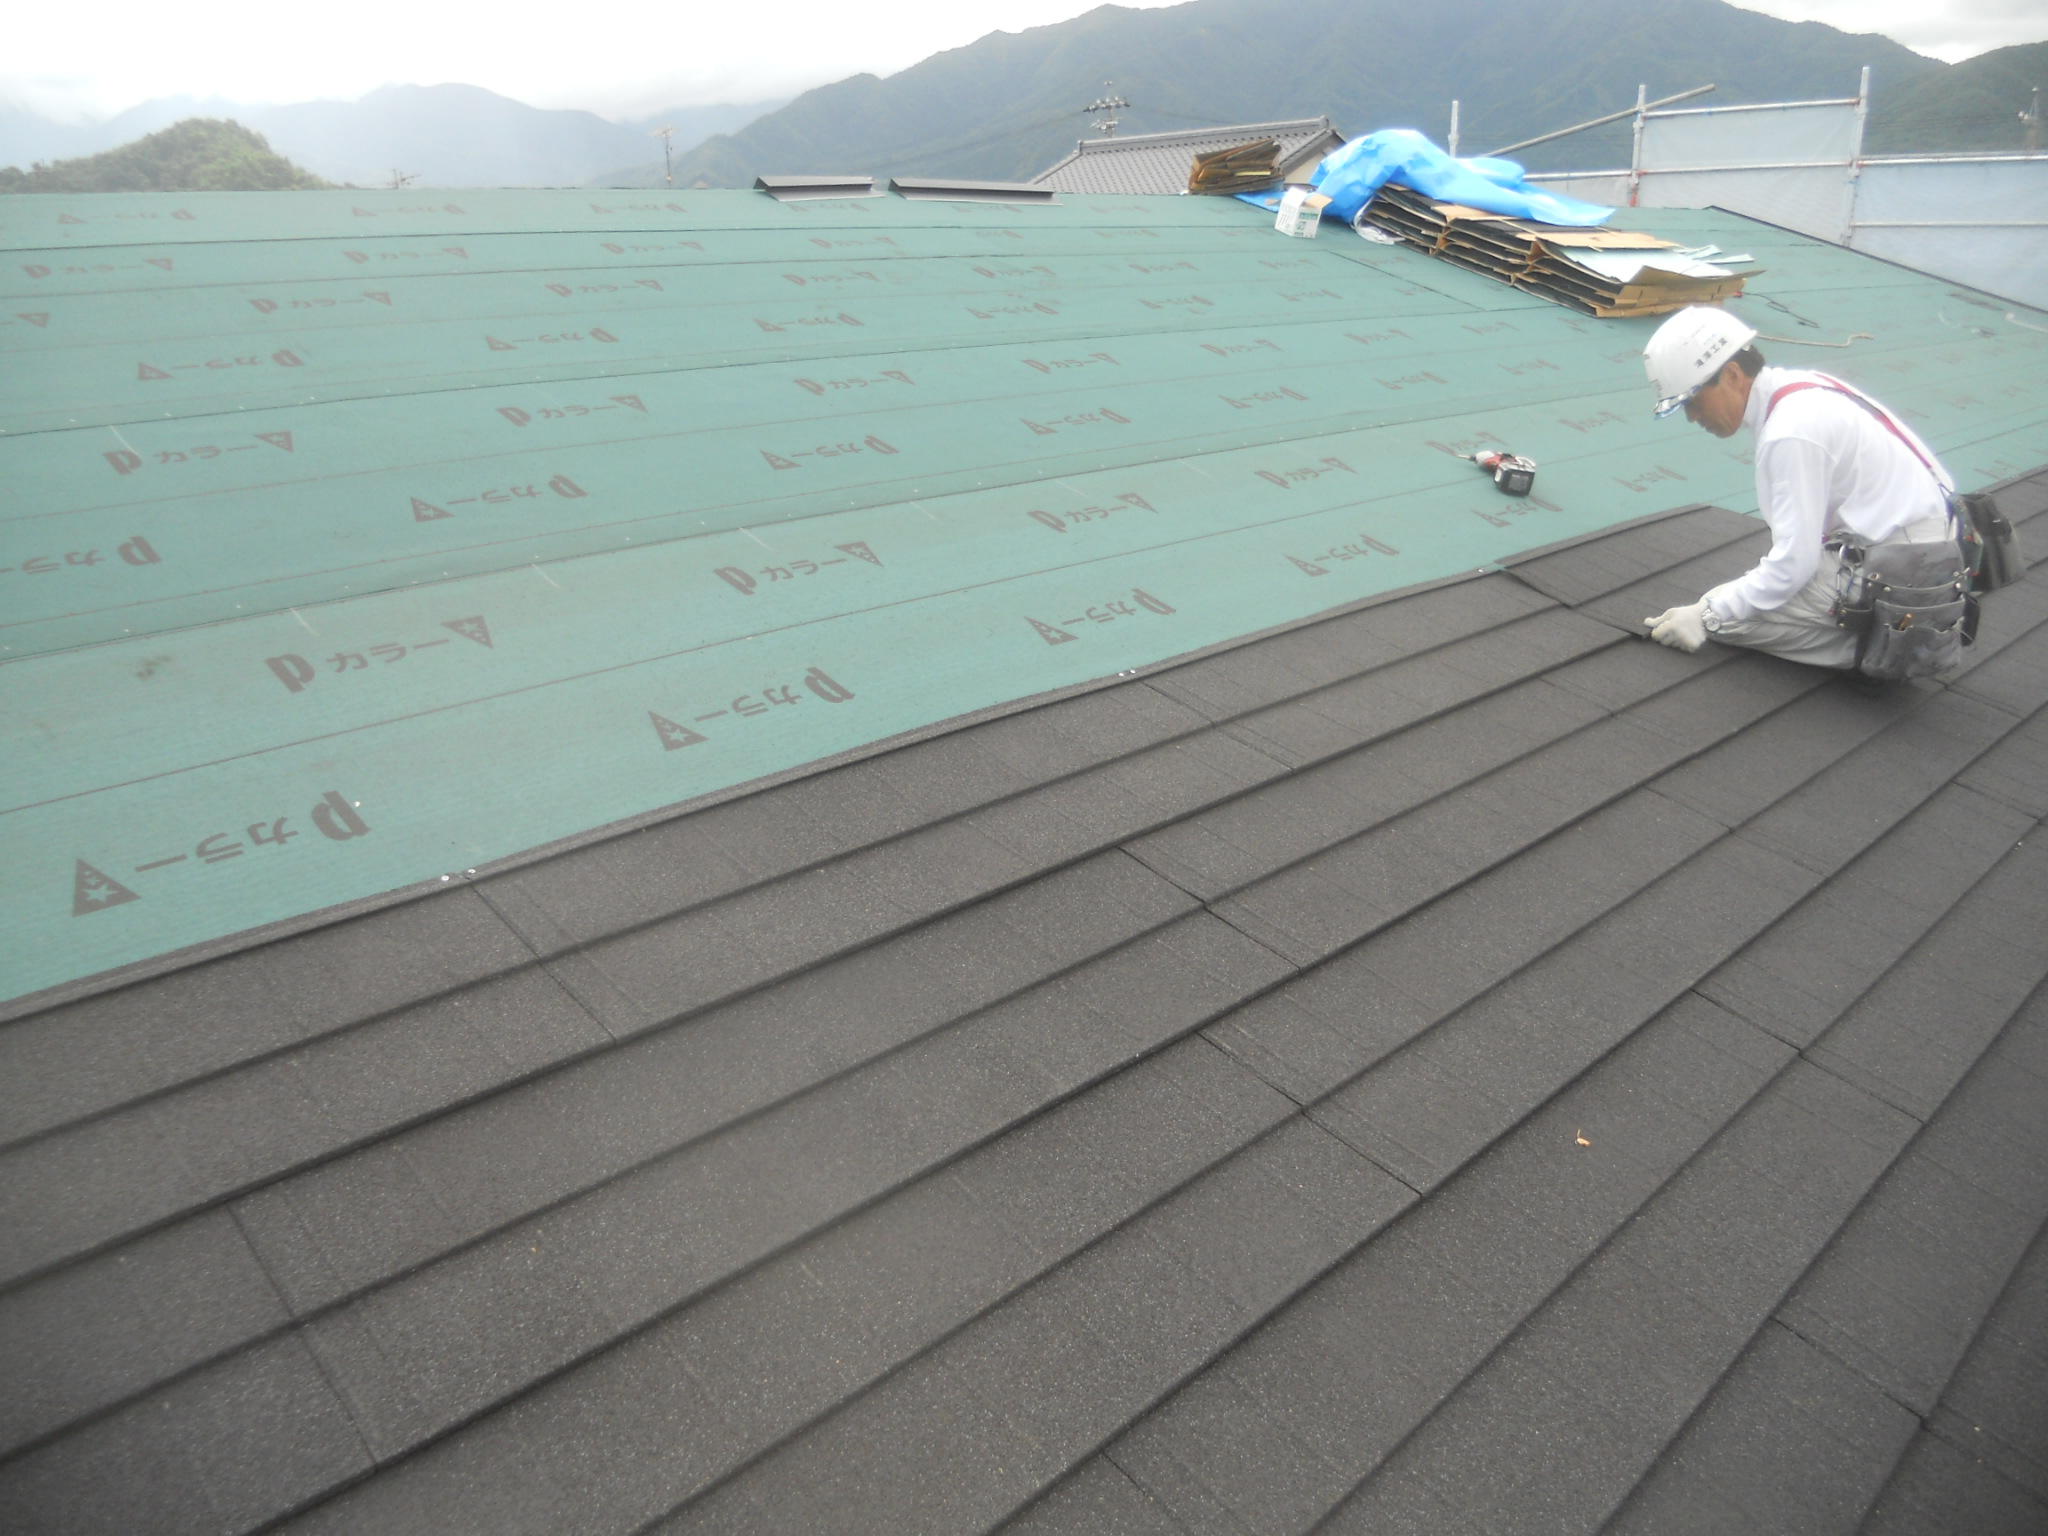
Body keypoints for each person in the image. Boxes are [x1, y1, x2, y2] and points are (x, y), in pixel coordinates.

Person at [1639, 306, 1961, 668]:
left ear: (1731, 375)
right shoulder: (1804, 387)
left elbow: (1794, 564)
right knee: (1724, 600)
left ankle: (1883, 644)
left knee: (1724, 620)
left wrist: (1705, 616)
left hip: (1903, 574)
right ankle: (1881, 631)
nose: (1693, 416)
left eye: (1693, 401)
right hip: (1930, 557)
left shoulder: (1790, 432)